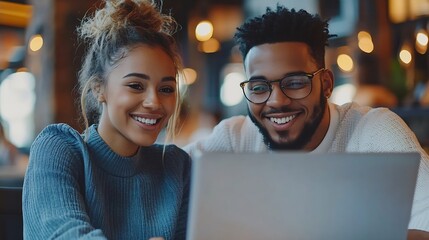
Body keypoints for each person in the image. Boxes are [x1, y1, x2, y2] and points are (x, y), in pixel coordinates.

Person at [183, 6, 429, 238]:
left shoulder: (373, 131)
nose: (277, 101)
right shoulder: (235, 139)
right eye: (259, 87)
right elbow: (161, 173)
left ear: (327, 84)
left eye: (295, 82)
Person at [23, 0, 191, 239]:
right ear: (98, 89)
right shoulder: (57, 148)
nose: (154, 101)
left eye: (166, 89)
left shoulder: (176, 166)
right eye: (135, 85)